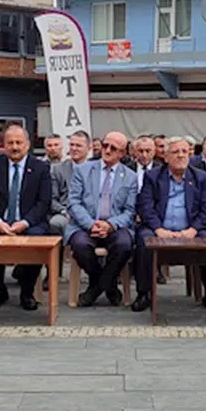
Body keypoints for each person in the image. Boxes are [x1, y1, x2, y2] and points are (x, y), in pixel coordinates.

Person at [130, 136, 206, 313]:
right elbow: (145, 207)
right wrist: (158, 229)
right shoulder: (153, 176)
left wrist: (193, 230)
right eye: (176, 152)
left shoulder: (200, 177)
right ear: (166, 157)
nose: (181, 155)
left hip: (190, 230)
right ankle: (144, 293)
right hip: (159, 229)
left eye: (185, 151)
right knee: (144, 240)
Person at [0, 124, 52, 311]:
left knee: (37, 240)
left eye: (19, 142)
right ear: (3, 145)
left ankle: (27, 293)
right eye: (10, 143)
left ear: (27, 144)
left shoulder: (41, 168)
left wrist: (24, 223)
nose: (15, 147)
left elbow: (44, 202)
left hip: (29, 222)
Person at [68, 131, 137, 307]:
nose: (107, 150)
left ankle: (95, 288)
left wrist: (110, 225)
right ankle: (109, 285)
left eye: (113, 148)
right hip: (85, 224)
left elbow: (130, 211)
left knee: (124, 245)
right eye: (105, 145)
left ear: (122, 153)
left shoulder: (130, 177)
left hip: (114, 226)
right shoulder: (82, 170)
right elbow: (74, 202)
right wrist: (90, 224)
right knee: (80, 245)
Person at [50, 131, 90, 235]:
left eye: (78, 146)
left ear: (89, 148)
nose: (74, 148)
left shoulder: (96, 170)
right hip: (65, 213)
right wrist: (64, 211)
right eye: (71, 145)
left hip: (90, 213)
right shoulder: (57, 169)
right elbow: (52, 199)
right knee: (56, 222)